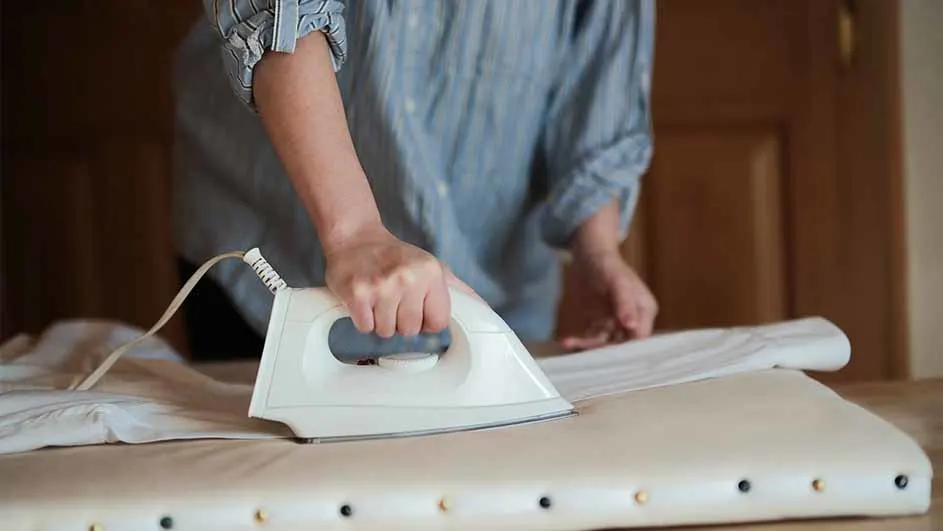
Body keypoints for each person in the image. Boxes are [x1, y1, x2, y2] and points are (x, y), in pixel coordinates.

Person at [172, 0, 658, 361]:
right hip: (272, 252)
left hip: (496, 280)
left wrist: (597, 253)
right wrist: (354, 232)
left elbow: (601, 75)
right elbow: (277, 17)